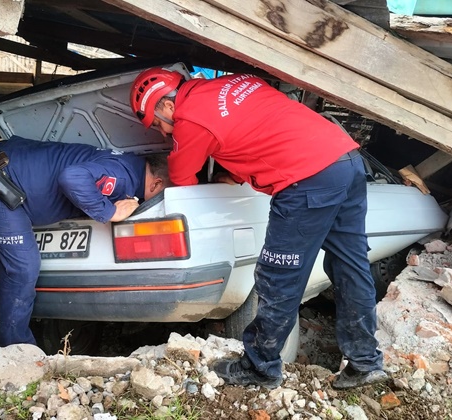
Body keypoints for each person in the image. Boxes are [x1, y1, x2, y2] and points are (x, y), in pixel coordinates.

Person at [129, 68, 387, 390]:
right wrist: (236, 174)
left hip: (306, 180)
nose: (165, 132)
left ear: (166, 106)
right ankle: (365, 361)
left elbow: (183, 182)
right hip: (344, 160)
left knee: (278, 275)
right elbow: (259, 129)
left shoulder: (189, 120)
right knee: (350, 263)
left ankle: (260, 366)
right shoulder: (234, 82)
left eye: (158, 124)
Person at [0, 135, 170, 347]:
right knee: (23, 267)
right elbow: (72, 177)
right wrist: (109, 211)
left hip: (14, 165)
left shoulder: (131, 167)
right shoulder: (122, 177)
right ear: (156, 183)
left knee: (21, 263)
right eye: (162, 194)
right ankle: (14, 348)